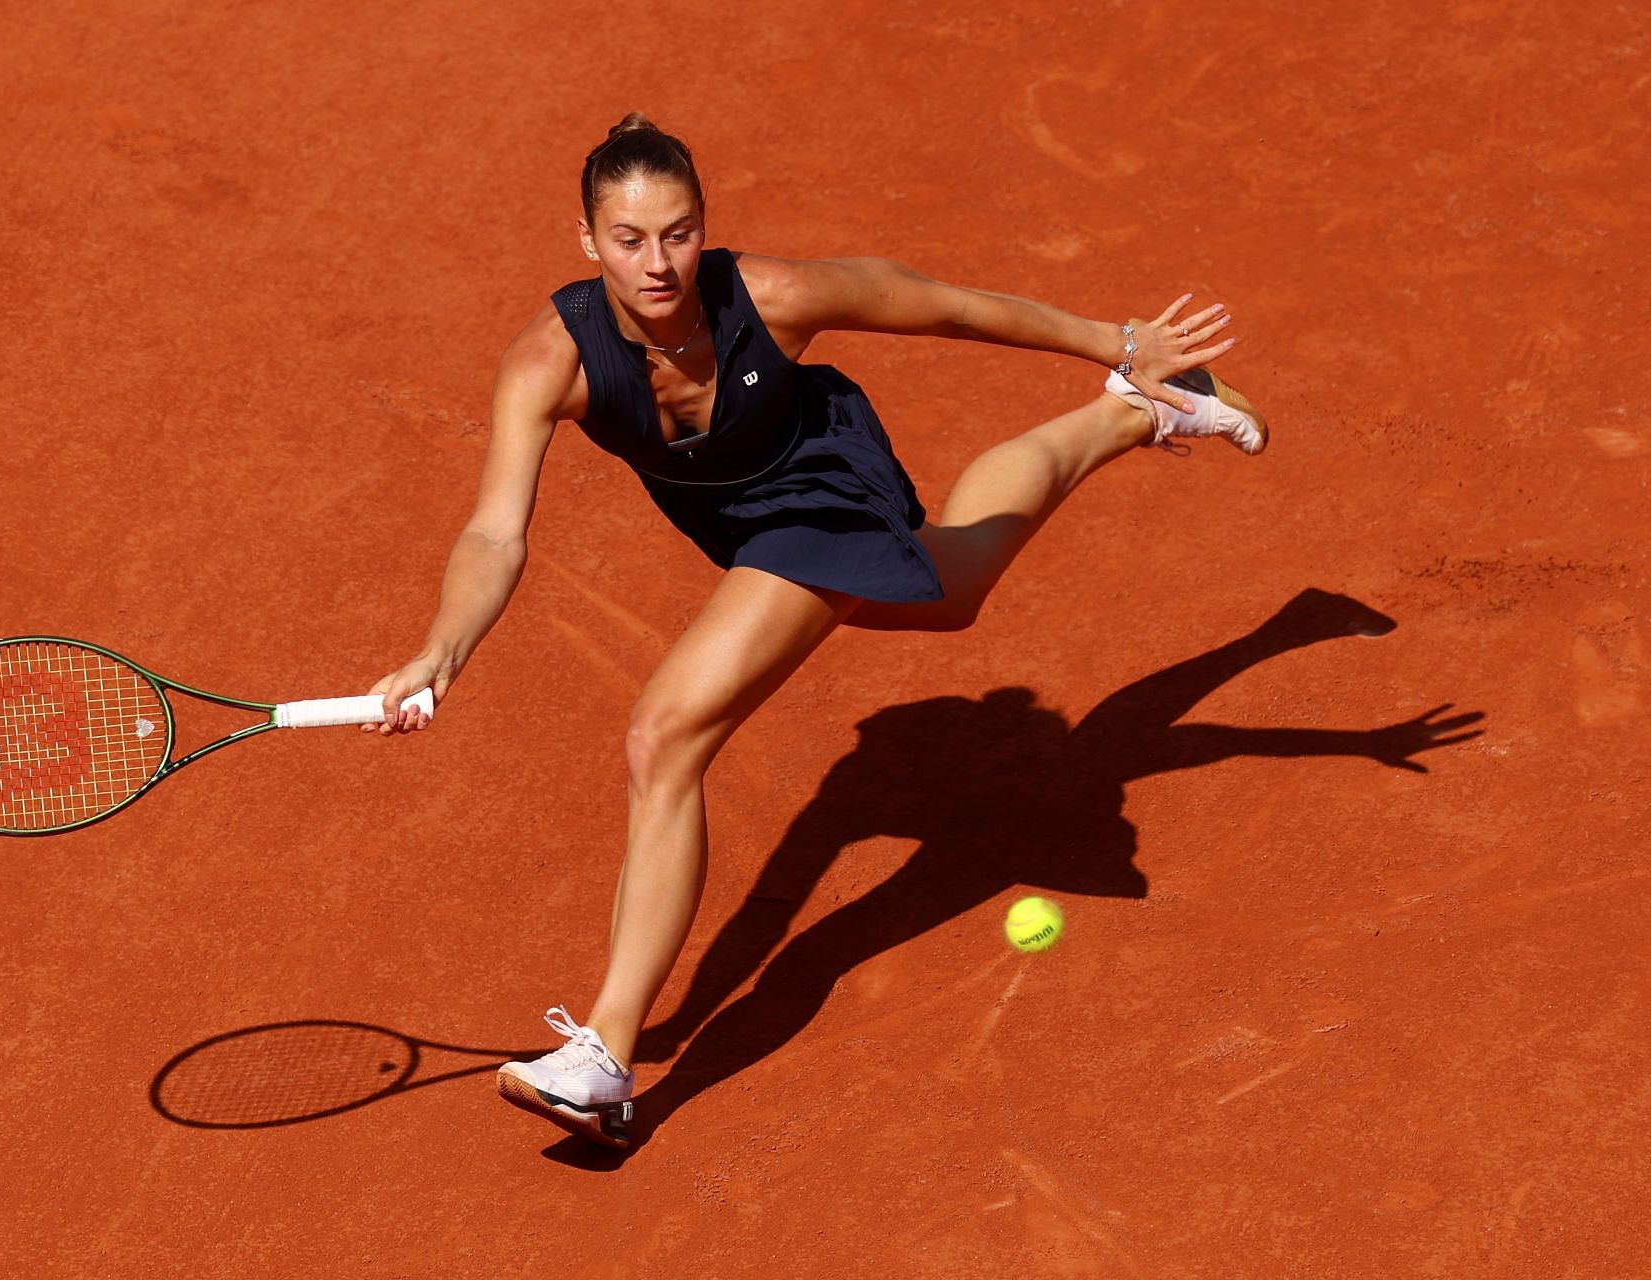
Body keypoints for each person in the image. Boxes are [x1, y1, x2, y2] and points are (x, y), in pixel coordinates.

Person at [365, 113, 1267, 1148]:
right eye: (629, 238)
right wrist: (442, 650)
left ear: (704, 225)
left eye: (678, 232)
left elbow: (948, 307)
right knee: (957, 578)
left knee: (665, 733)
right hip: (739, 520)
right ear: (586, 240)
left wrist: (1119, 335)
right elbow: (494, 531)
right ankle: (1132, 416)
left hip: (818, 491)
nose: (658, 262)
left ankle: (606, 1051)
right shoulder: (546, 365)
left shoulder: (776, 297)